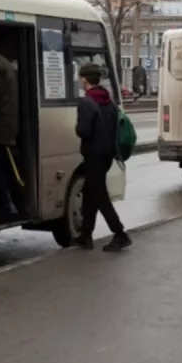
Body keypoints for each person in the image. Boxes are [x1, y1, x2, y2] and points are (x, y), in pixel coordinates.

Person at [74, 62, 132, 252]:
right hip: (107, 154)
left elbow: (83, 130)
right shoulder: (108, 100)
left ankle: (120, 234)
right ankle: (86, 235)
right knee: (90, 193)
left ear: (84, 79)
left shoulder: (87, 102)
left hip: (93, 155)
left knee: (99, 195)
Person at [0, 47, 21, 223]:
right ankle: (10, 205)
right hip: (6, 125)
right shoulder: (5, 63)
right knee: (3, 167)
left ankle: (6, 207)